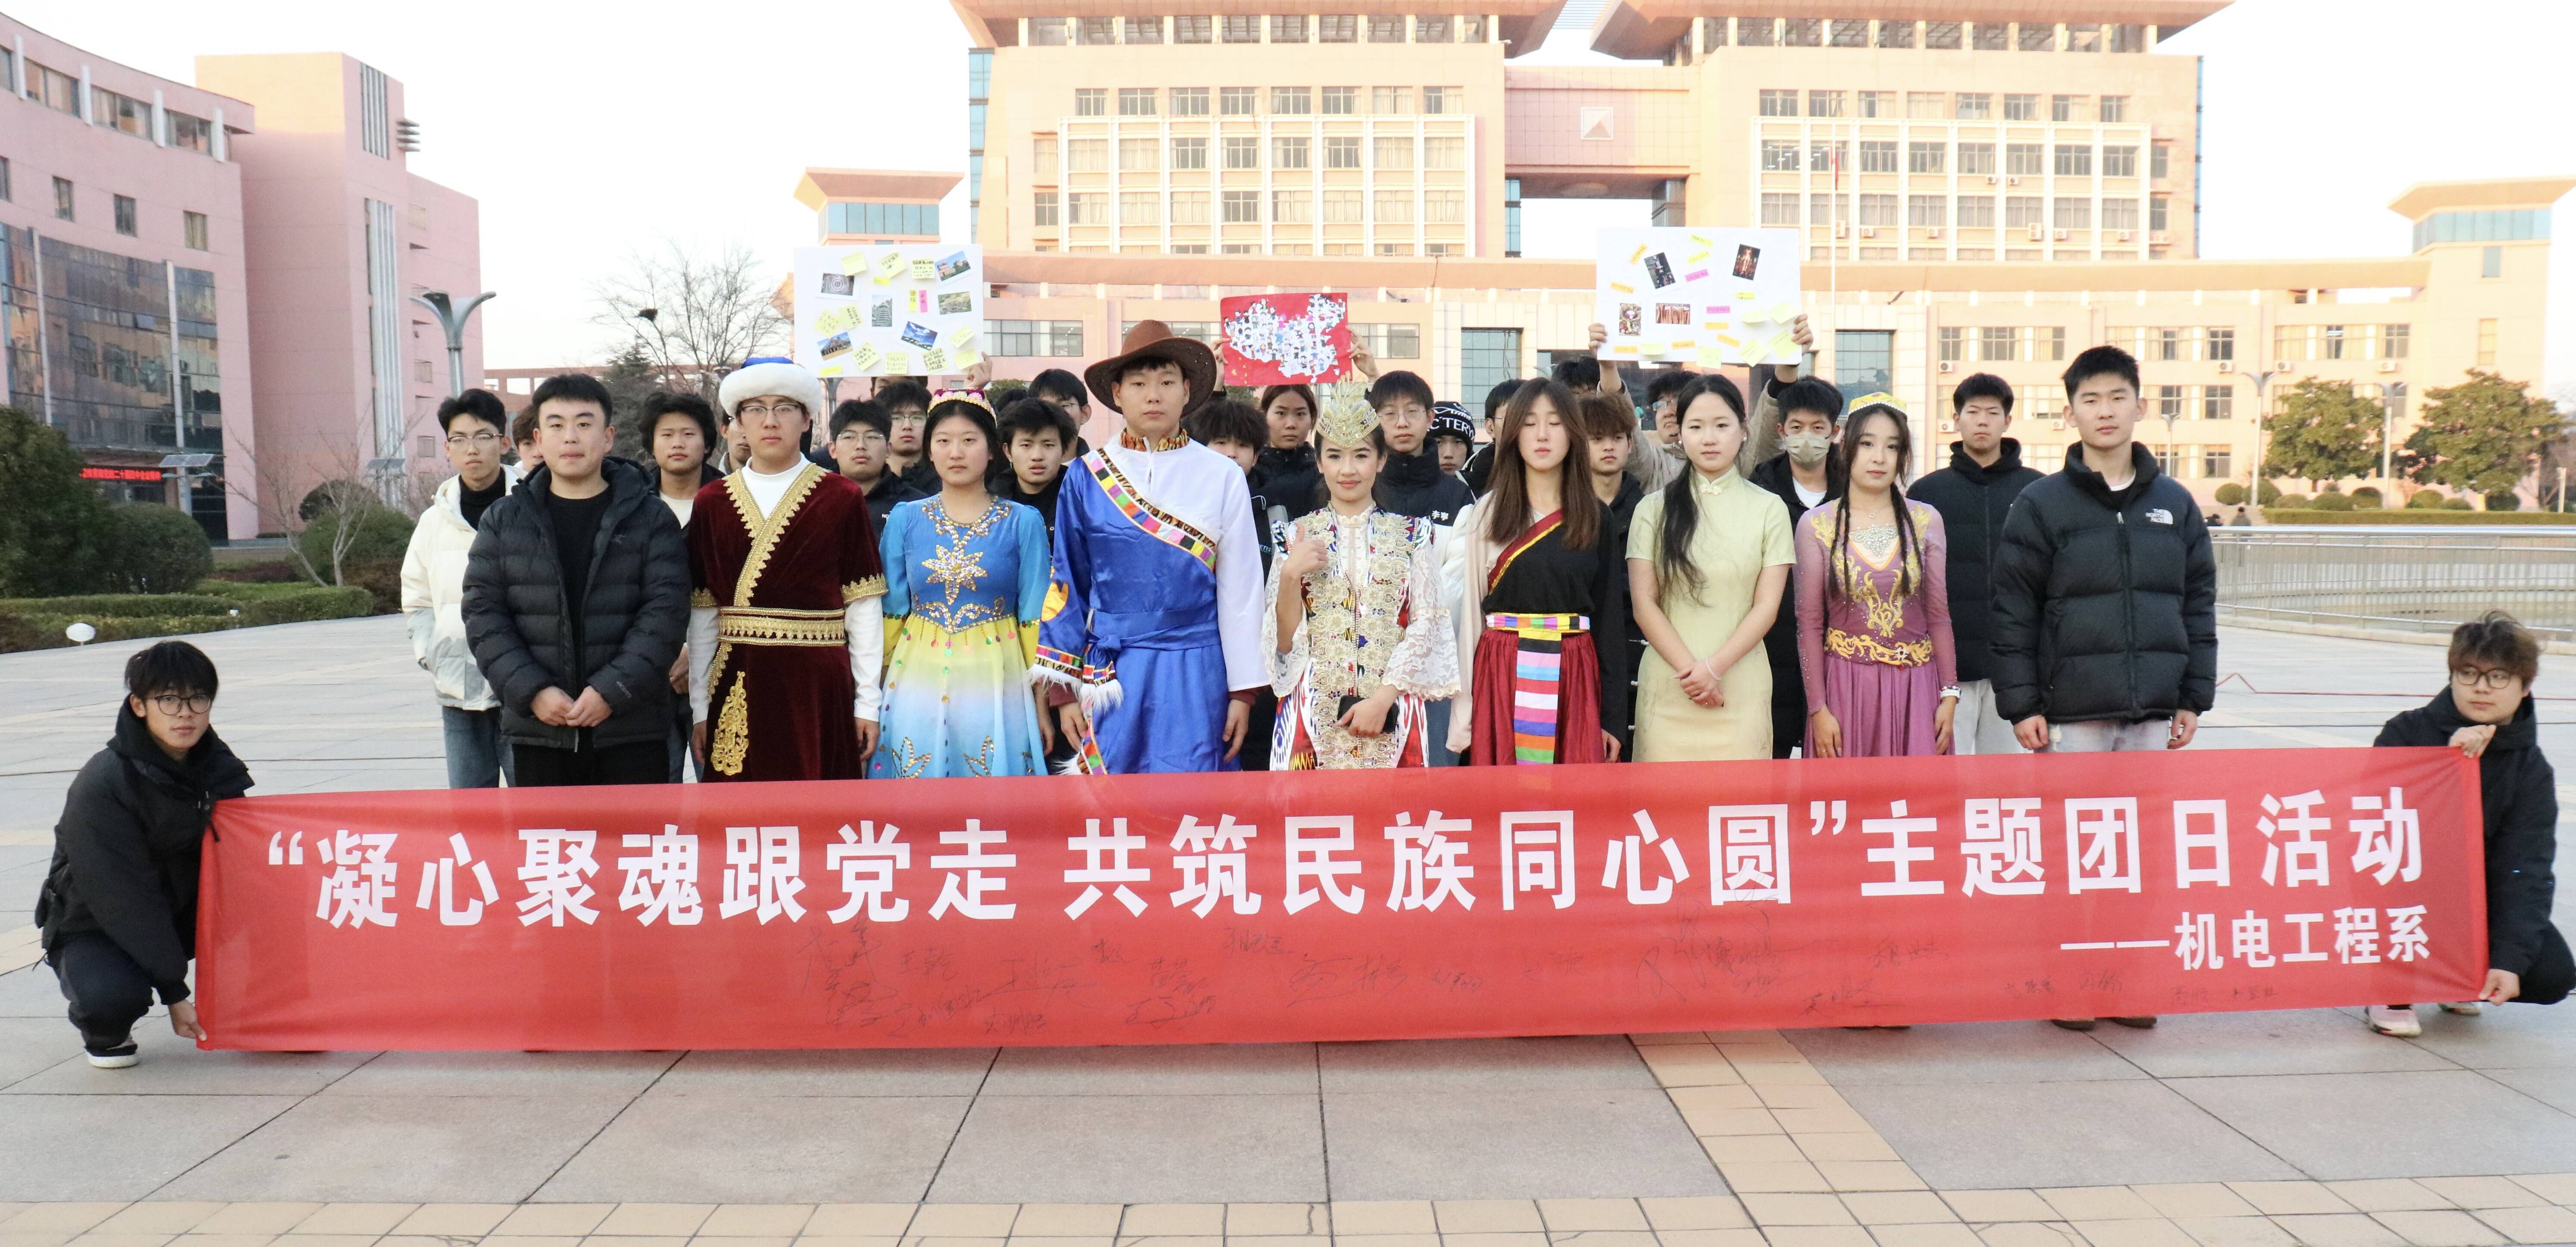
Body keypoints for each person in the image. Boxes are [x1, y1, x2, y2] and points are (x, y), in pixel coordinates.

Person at [1992, 345, 2216, 1033]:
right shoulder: (2040, 504)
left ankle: (2128, 983)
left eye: (2117, 397)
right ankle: (2070, 984)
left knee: (2141, 855)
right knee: (2072, 853)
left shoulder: (2174, 505)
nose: (2105, 411)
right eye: (2090, 400)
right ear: (2070, 414)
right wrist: (2021, 703)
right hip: (2072, 712)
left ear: (2140, 406)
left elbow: (2197, 604)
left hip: (2150, 709)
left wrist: (2193, 695)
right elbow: (2013, 610)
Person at [1035, 320, 1266, 774]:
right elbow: (1066, 582)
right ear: (1118, 393)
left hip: (1198, 668)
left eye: (1166, 382)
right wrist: (1063, 691)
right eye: (1139, 384)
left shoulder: (1221, 475)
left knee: (1193, 794)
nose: (1153, 395)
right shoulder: (1085, 475)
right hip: (1111, 673)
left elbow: (1241, 591)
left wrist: (1243, 692)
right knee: (1110, 802)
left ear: (1187, 390)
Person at [464, 374, 689, 787]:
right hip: (541, 731)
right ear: (538, 438)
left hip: (631, 731)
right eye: (556, 425)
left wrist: (612, 691)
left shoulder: (651, 518)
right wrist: (533, 692)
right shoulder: (503, 520)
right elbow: (483, 616)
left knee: (635, 831)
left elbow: (665, 615)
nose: (570, 437)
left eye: (584, 424)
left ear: (607, 438)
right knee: (548, 832)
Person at [38, 641, 250, 1067]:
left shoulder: (217, 768)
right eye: (169, 700)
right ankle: (103, 1026)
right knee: (112, 998)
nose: (185, 713)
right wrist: (175, 991)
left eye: (198, 699)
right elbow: (124, 896)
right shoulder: (104, 783)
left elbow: (246, 859)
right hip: (98, 921)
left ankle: (277, 1018)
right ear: (139, 706)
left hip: (183, 911)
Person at [2366, 611, 2569, 1035]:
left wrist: (2507, 960)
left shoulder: (2530, 768)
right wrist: (2444, 764)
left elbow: (2526, 867)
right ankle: (2390, 986)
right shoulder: (2406, 732)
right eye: (2468, 673)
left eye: (2498, 677)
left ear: (2524, 687)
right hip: (2404, 888)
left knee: (2551, 974)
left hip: (2474, 900)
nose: (2481, 687)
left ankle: (2459, 977)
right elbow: (2372, 824)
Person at [685, 358, 888, 782]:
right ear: (738, 421)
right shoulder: (711, 502)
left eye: (784, 407)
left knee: (821, 810)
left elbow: (863, 607)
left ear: (806, 419)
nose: (770, 420)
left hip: (820, 684)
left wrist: (868, 704)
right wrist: (700, 706)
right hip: (738, 679)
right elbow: (704, 614)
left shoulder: (842, 497)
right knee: (740, 814)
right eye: (755, 409)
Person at [1264, 385, 1459, 768]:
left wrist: (1381, 700)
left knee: (1394, 807)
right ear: (1319, 462)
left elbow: (1428, 624)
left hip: (1394, 708)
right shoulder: (1294, 537)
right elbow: (1284, 642)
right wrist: (1289, 575)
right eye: (1335, 456)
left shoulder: (1412, 534)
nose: (1348, 470)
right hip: (1313, 713)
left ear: (1381, 460)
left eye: (1361, 455)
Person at [1446, 379, 1629, 765]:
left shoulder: (1595, 516)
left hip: (1573, 673)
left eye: (1555, 423)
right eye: (1529, 423)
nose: (1542, 435)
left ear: (1573, 433)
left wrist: (1611, 717)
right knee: (1505, 791)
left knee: (1569, 793)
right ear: (1512, 434)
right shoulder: (1488, 513)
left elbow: (1609, 620)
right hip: (1502, 670)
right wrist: (1464, 713)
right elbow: (1471, 621)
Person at [872, 394, 1054, 779]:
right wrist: (875, 692)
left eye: (969, 440)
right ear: (930, 451)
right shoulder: (905, 519)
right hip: (914, 677)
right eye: (943, 441)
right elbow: (890, 611)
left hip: (1000, 678)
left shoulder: (1023, 522)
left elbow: (1033, 616)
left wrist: (1040, 702)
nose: (956, 452)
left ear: (992, 451)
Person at [1626, 376, 1793, 762]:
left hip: (1740, 686)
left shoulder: (1769, 508)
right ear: (1680, 433)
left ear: (1743, 430)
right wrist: (1693, 673)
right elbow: (1644, 605)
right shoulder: (1652, 509)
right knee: (1663, 798)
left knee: (1740, 797)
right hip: (1669, 687)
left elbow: (1766, 607)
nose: (1709, 438)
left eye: (1721, 425)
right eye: (1696, 427)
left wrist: (1714, 669)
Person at [1795, 396, 1958, 759]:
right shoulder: (1816, 524)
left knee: (1916, 793)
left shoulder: (1926, 520)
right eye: (1868, 444)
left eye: (1892, 447)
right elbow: (1808, 623)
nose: (1879, 458)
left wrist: (1949, 694)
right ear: (1846, 447)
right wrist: (1818, 709)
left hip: (1917, 688)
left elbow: (1938, 615)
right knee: (1849, 792)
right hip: (1846, 688)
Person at [1907, 373, 2041, 755]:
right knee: (1945, 774)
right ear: (1956, 419)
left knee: (2007, 779)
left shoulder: (2036, 491)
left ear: (2007, 421)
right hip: (1946, 670)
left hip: (2014, 669)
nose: (1982, 421)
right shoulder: (1926, 493)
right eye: (1973, 412)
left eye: (1992, 413)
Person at [402, 389, 521, 789]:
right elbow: (416, 598)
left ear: (503, 443)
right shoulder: (434, 521)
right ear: (447, 448)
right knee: (469, 809)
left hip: (526, 688)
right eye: (460, 439)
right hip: (457, 683)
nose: (472, 449)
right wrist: (430, 652)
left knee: (535, 808)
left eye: (483, 436)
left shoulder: (532, 506)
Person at [1750, 377, 1848, 758]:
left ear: (1834, 433)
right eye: (1797, 427)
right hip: (1772, 649)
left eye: (1817, 428)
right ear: (1781, 431)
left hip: (1841, 652)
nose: (1806, 437)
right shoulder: (1759, 490)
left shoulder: (1855, 489)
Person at [642, 390, 724, 782]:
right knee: (657, 794)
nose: (678, 443)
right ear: (651, 444)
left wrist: (696, 652)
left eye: (689, 434)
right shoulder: (632, 505)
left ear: (707, 444)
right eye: (667, 434)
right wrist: (661, 651)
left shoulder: (731, 502)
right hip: (647, 675)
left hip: (717, 667)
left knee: (721, 789)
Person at [1579, 392, 1649, 756]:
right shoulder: (1564, 511)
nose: (1609, 447)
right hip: (1578, 648)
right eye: (1596, 439)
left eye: (1617, 438)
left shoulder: (1650, 511)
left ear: (1630, 443)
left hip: (1639, 647)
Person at [1370, 370, 1477, 530]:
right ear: (1374, 420)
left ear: (1429, 418)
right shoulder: (1364, 489)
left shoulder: (1458, 495)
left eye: (1412, 412)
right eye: (1390, 413)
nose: (1402, 423)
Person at [828, 399, 931, 529]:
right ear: (833, 450)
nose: (861, 446)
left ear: (888, 449)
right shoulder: (814, 501)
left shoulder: (916, 505)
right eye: (849, 437)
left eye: (872, 437)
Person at [996, 395, 1079, 548]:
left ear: (1064, 450)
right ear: (1008, 451)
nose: (1037, 456)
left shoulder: (1081, 500)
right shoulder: (991, 502)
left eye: (1048, 445)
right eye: (1026, 445)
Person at [1251, 384, 1323, 536]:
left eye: (1300, 414)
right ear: (1264, 416)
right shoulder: (1250, 470)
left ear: (1312, 419)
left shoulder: (1323, 470)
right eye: (1281, 413)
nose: (1291, 424)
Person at [1632, 369, 1699, 493]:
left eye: (1677, 401)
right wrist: (1609, 370)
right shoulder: (1650, 461)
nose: (1668, 412)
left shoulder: (1720, 459)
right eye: (1661, 405)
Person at [1461, 378, 1522, 495]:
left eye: (1529, 419)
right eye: (1509, 418)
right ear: (1490, 427)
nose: (1519, 426)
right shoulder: (1464, 490)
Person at [878, 379, 939, 493]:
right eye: (896, 418)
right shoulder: (870, 481)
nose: (907, 426)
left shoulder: (943, 481)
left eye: (917, 418)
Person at [1034, 364, 1113, 454]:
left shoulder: (1100, 463)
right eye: (1046, 407)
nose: (1055, 414)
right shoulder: (1023, 463)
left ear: (1085, 414)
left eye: (1064, 406)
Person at [1429, 401, 1477, 477]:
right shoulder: (1409, 482)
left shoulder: (1490, 482)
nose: (1448, 454)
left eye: (1458, 442)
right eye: (1438, 442)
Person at [511, 406, 542, 471]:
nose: (537, 454)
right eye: (528, 444)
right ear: (518, 450)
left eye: (543, 442)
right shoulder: (509, 477)